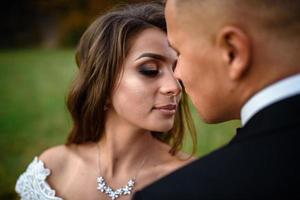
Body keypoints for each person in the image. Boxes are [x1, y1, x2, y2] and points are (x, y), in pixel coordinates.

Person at [15, 2, 197, 200]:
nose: (175, 86)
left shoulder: (190, 178)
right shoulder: (52, 170)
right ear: (103, 83)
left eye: (176, 69)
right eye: (150, 70)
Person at [133, 0, 300, 199]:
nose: (176, 77)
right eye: (151, 71)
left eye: (180, 54)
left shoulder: (178, 192)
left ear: (232, 52)